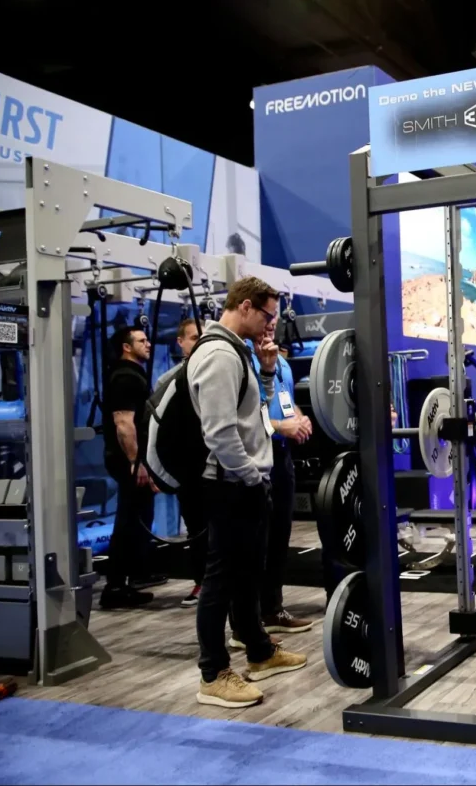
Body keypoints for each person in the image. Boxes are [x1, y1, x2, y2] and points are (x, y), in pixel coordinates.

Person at [190, 276, 306, 709]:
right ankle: (213, 673)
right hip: (230, 484)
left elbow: (254, 414)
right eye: (266, 314)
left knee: (246, 574)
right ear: (244, 307)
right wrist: (252, 477)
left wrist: (270, 369)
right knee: (219, 580)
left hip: (245, 481)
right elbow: (220, 433)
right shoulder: (219, 355)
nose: (269, 323)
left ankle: (258, 651)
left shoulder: (238, 351)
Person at [243, 323, 313, 635]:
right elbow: (246, 416)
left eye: (273, 320)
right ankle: (249, 619)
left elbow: (285, 400)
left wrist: (298, 417)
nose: (270, 325)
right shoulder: (242, 358)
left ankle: (272, 609)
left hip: (282, 457)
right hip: (256, 452)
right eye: (265, 318)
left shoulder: (280, 361)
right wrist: (278, 427)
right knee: (255, 542)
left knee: (280, 538)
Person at [100, 326, 164, 609]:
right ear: (127, 347)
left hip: (134, 459)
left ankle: (131, 578)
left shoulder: (133, 374)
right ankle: (115, 587)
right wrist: (135, 462)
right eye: (141, 341)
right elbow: (124, 424)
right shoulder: (125, 377)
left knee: (138, 517)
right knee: (128, 520)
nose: (148, 344)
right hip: (128, 460)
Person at [157, 319, 209, 608]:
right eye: (192, 338)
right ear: (181, 342)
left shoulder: (217, 373)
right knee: (197, 529)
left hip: (219, 466)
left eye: (201, 337)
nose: (198, 342)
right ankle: (201, 583)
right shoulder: (167, 381)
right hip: (189, 472)